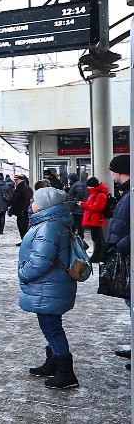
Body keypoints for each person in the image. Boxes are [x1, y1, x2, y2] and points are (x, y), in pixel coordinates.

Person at [19, 187, 79, 389]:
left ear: (45, 205)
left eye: (34, 200)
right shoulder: (54, 223)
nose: (31, 203)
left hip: (48, 286)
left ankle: (65, 372)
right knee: (50, 326)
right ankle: (53, 362)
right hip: (52, 285)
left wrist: (23, 273)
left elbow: (40, 261)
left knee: (52, 329)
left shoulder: (48, 227)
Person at [106, 154, 131, 367]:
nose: (111, 174)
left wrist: (121, 245)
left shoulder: (131, 194)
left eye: (112, 170)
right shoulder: (127, 193)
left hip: (129, 254)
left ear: (120, 171)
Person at [79, 176, 110, 263]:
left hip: (95, 220)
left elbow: (97, 208)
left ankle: (98, 256)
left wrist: (83, 205)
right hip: (94, 219)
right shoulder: (96, 194)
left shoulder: (99, 195)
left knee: (98, 240)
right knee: (97, 239)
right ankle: (99, 255)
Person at [9, 174, 33, 243]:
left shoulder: (24, 188)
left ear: (21, 180)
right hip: (19, 212)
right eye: (15, 180)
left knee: (23, 227)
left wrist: (24, 210)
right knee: (21, 227)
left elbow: (27, 200)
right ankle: (24, 240)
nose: (15, 181)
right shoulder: (19, 187)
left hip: (23, 213)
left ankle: (25, 241)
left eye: (16, 180)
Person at [66, 172, 87, 238]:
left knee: (77, 223)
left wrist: (73, 203)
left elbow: (79, 195)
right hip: (76, 208)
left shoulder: (78, 185)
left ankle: (79, 237)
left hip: (77, 208)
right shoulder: (77, 184)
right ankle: (77, 236)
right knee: (77, 223)